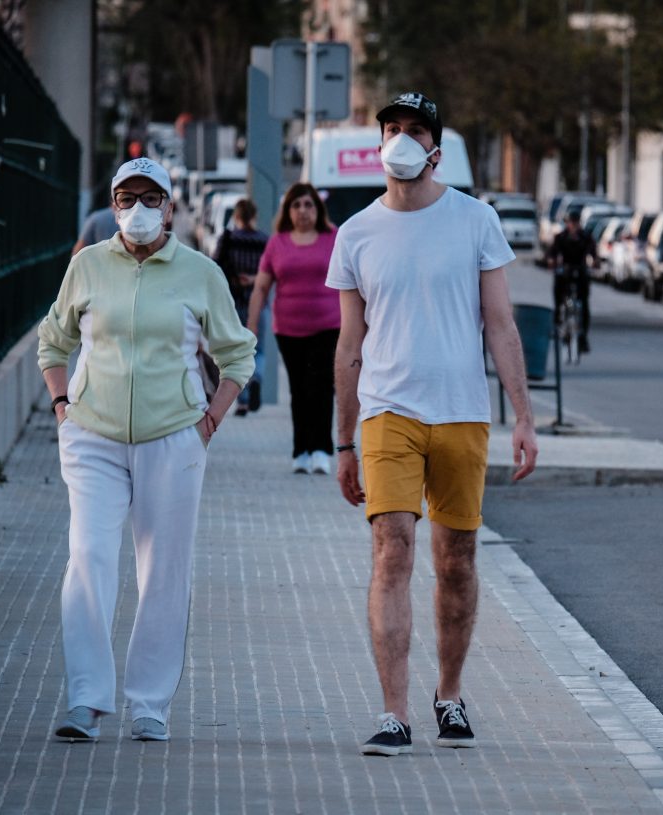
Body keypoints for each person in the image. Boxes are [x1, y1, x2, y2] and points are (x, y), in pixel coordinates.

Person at [327, 91, 539, 757]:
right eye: (392, 128)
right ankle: (395, 713)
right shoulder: (356, 232)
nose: (401, 139)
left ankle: (449, 695)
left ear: (435, 149)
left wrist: (524, 418)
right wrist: (342, 439)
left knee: (457, 560)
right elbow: (349, 345)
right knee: (392, 548)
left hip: (462, 414)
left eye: (415, 129)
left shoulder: (475, 220)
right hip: (389, 411)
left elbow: (501, 325)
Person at [37, 157, 256, 742]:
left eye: (151, 198)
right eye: (127, 198)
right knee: (88, 556)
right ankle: (85, 699)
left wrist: (209, 419)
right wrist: (63, 408)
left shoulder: (200, 272)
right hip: (92, 434)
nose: (139, 209)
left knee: (163, 571)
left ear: (170, 207)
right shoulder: (87, 267)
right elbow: (53, 342)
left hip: (173, 437)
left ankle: (149, 704)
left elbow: (238, 354)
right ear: (112, 205)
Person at [248, 183, 341, 474]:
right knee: (299, 390)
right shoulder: (278, 243)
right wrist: (251, 328)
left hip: (328, 326)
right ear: (288, 211)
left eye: (309, 205)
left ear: (318, 209)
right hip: (288, 329)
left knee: (322, 387)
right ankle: (301, 449)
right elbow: (261, 286)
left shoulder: (333, 237)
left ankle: (322, 450)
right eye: (297, 205)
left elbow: (353, 281)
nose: (303, 211)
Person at [214, 198, 269, 416]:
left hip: (233, 303)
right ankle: (256, 378)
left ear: (236, 216)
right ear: (254, 215)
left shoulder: (228, 239)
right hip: (259, 301)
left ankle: (243, 402)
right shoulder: (264, 240)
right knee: (260, 350)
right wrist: (254, 279)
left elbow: (215, 268)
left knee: (238, 353)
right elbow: (271, 272)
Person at [547, 211, 597, 353]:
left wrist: (595, 262)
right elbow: (552, 252)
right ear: (567, 223)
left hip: (580, 271)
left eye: (576, 222)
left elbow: (593, 253)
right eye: (571, 222)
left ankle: (583, 336)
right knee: (558, 295)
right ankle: (558, 322)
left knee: (584, 302)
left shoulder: (586, 237)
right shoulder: (560, 237)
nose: (573, 225)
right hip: (565, 271)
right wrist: (552, 261)